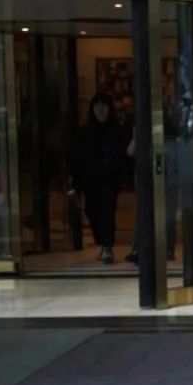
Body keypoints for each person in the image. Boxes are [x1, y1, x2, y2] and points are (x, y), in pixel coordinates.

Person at [67, 92, 129, 265]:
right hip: (90, 179)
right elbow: (77, 157)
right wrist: (75, 181)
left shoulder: (116, 130)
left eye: (104, 107)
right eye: (97, 107)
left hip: (110, 178)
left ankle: (107, 246)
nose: (101, 111)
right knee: (92, 210)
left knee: (107, 211)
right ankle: (103, 242)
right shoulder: (85, 131)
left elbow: (122, 155)